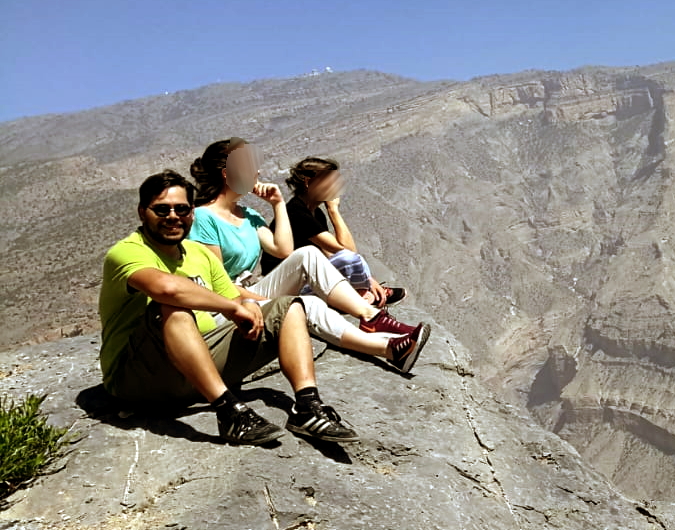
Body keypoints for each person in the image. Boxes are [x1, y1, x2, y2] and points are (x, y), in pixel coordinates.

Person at [98, 170, 359, 445]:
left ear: (191, 213)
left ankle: (307, 407)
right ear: (143, 213)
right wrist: (232, 309)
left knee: (288, 308)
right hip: (138, 378)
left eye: (182, 209)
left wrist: (247, 307)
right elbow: (167, 289)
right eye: (162, 209)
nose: (173, 216)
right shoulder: (126, 251)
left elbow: (233, 297)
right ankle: (229, 413)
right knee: (173, 309)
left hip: (196, 368)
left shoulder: (198, 253)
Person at [188, 138, 430, 374]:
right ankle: (389, 349)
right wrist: (268, 301)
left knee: (308, 254)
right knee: (307, 304)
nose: (257, 172)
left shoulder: (247, 215)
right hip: (228, 306)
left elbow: (283, 250)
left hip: (249, 293)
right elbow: (217, 286)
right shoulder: (204, 218)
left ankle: (373, 319)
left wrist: (277, 204)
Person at [282, 155, 404, 307]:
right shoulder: (296, 213)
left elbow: (331, 254)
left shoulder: (315, 213)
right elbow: (348, 252)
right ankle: (364, 297)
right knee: (348, 260)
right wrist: (333, 210)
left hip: (305, 277)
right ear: (308, 182)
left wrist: (368, 279)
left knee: (347, 263)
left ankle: (364, 294)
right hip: (289, 286)